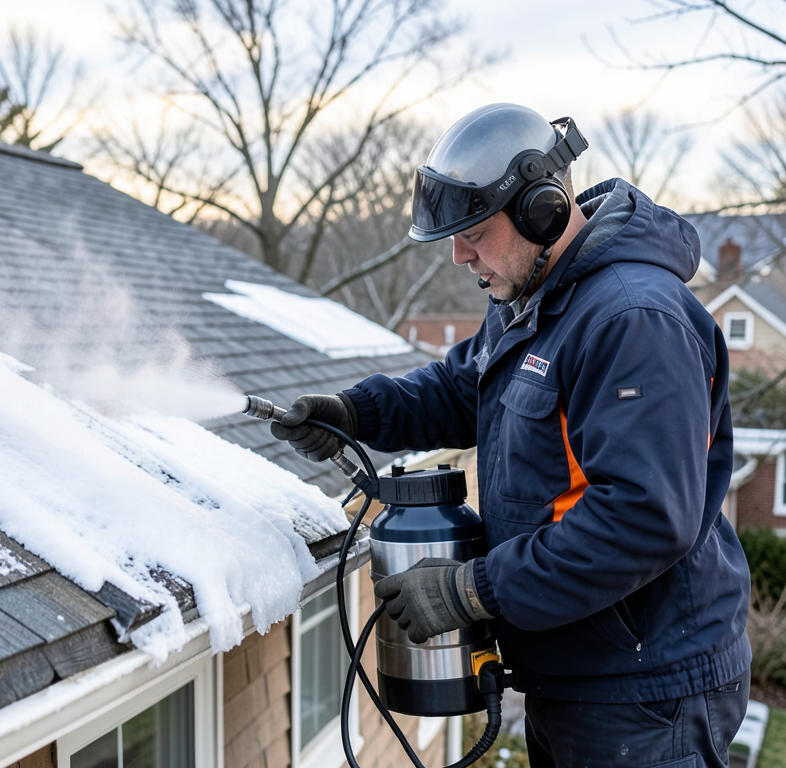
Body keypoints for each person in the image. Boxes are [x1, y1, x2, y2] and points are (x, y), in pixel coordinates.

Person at [271, 103, 751, 768]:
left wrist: (474, 590)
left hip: (645, 692)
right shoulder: (533, 301)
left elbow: (644, 517)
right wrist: (356, 412)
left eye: (474, 231)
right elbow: (460, 388)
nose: (458, 254)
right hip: (575, 674)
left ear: (542, 211)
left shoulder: (631, 320)